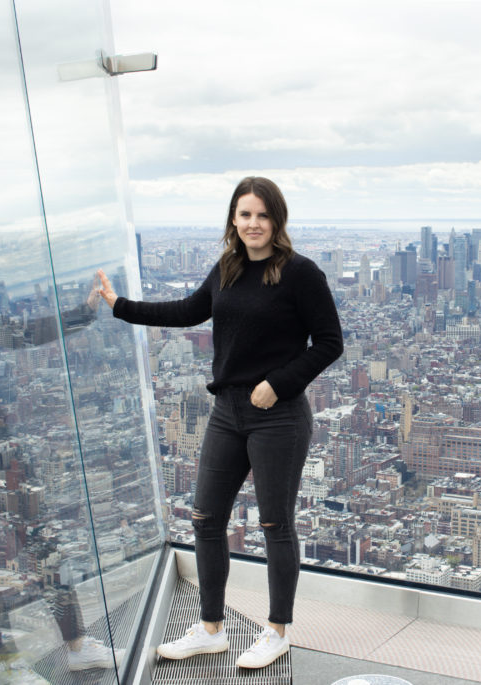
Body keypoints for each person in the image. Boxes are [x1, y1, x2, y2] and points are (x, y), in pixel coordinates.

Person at [95, 177, 343, 669]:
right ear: (233, 218)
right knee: (206, 519)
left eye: (262, 215)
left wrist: (278, 382)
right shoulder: (227, 269)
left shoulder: (300, 274)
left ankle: (277, 631)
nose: (253, 223)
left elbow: (330, 342)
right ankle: (211, 628)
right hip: (227, 412)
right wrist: (119, 306)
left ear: (277, 220)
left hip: (279, 417)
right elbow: (188, 310)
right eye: (244, 214)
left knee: (274, 524)